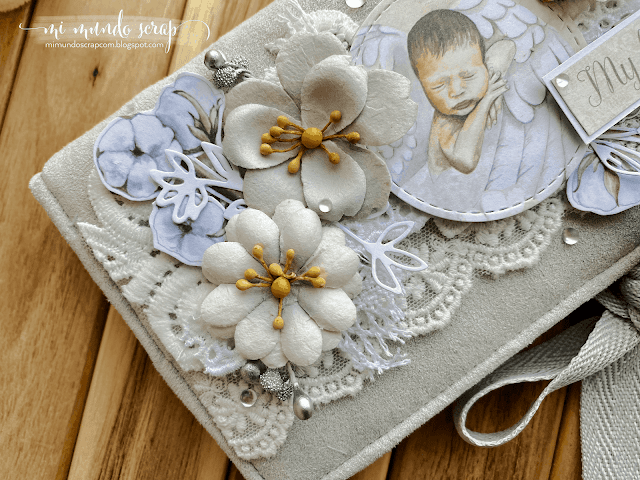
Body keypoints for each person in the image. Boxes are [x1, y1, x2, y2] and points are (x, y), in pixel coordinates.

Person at [407, 9, 515, 176]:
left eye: (468, 75)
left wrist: (494, 73)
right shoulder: (445, 122)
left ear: (484, 65)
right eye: (439, 85)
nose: (457, 91)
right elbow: (466, 161)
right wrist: (486, 101)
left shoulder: (483, 70)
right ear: (423, 87)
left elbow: (508, 46)